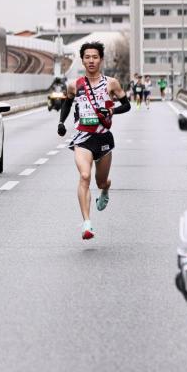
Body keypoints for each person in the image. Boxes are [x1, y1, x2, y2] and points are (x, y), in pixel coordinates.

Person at [57, 42, 130, 240]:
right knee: (84, 175)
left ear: (101, 59)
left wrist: (112, 110)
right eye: (87, 57)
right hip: (83, 137)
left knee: (100, 181)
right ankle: (87, 224)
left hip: (103, 137)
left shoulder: (111, 83)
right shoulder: (75, 84)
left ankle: (105, 189)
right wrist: (61, 122)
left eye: (95, 57)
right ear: (82, 60)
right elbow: (67, 103)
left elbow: (127, 105)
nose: (91, 60)